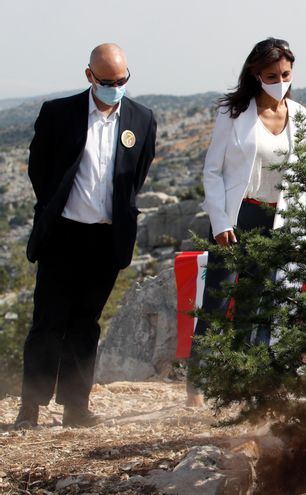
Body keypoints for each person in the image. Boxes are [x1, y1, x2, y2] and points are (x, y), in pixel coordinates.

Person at [16, 43, 157, 428]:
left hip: (106, 240)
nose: (115, 87)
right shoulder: (59, 113)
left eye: (122, 80)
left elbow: (136, 176)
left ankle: (75, 407)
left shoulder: (142, 119)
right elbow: (38, 169)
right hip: (62, 234)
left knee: (85, 324)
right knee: (48, 321)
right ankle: (30, 407)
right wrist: (57, 206)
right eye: (107, 81)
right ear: (89, 76)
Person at [189, 37, 306, 406]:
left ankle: (241, 383)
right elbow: (212, 171)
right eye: (272, 74)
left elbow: (299, 176)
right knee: (219, 298)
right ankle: (196, 383)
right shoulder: (233, 112)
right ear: (256, 74)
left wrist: (297, 227)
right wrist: (221, 220)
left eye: (286, 74)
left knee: (257, 304)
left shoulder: (302, 116)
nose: (280, 81)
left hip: (277, 219)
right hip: (236, 215)